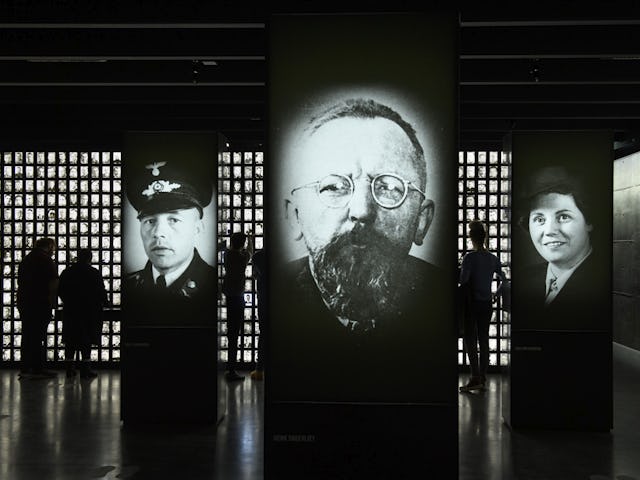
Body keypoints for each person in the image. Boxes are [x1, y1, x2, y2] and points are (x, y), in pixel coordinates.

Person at [272, 97, 451, 402]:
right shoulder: (276, 297)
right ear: (295, 215)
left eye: (389, 187)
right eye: (333, 186)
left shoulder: (442, 298)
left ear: (422, 220)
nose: (361, 210)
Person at [124, 159, 216, 326]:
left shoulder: (215, 285)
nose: (158, 233)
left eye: (174, 219)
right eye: (150, 221)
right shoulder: (127, 287)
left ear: (197, 228)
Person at [517, 165, 606, 330]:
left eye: (564, 217)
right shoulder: (523, 280)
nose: (550, 231)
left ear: (589, 221)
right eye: (539, 219)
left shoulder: (604, 285)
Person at [458, 220, 505, 392]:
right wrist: (496, 294)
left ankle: (474, 376)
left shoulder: (469, 258)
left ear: (471, 237)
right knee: (484, 339)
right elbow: (504, 280)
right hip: (486, 303)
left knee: (470, 339)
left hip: (472, 304)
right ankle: (483, 376)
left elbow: (463, 281)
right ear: (484, 237)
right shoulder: (493, 259)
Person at [58, 249, 108, 379]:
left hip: (71, 311)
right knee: (86, 340)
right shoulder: (94, 272)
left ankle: (69, 369)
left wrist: (68, 302)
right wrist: (106, 302)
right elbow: (100, 291)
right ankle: (85, 370)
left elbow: (60, 290)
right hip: (89, 311)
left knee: (70, 340)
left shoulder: (67, 272)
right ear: (89, 258)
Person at [17, 237, 58, 379]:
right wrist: (52, 304)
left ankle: (25, 367)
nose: (54, 251)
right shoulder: (46, 260)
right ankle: (37, 368)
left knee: (27, 334)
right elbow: (53, 284)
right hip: (40, 303)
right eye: (53, 248)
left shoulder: (26, 259)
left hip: (25, 302)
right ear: (49, 246)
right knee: (38, 336)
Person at [222, 232, 253, 381]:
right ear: (242, 243)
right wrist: (251, 240)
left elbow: (229, 248)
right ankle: (232, 370)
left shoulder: (227, 255)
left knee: (231, 332)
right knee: (235, 332)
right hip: (238, 297)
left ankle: (230, 368)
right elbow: (250, 253)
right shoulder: (242, 258)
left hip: (228, 296)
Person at [250, 247, 266, 381]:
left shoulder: (257, 256)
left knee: (264, 333)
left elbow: (254, 275)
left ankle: (259, 369)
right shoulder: (278, 254)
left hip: (263, 298)